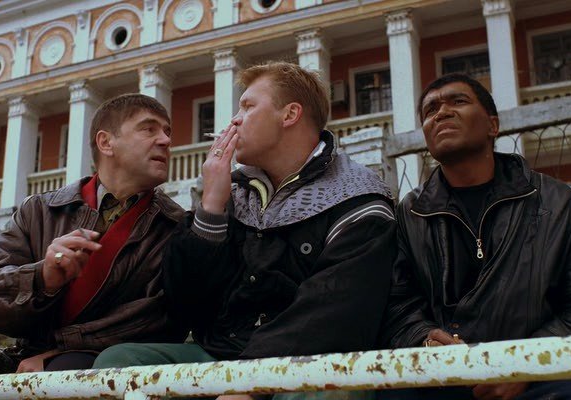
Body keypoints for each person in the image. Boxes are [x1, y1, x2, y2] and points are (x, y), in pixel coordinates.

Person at [94, 62, 429, 399]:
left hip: (306, 365)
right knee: (119, 362)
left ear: (290, 114)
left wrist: (250, 383)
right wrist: (211, 206)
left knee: (328, 393)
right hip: (224, 357)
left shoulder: (357, 196)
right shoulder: (232, 191)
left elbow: (334, 315)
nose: (235, 120)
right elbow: (186, 306)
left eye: (247, 106)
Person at [0, 94, 188, 400]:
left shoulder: (175, 226)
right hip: (23, 359)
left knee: (65, 372)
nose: (166, 140)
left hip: (101, 364)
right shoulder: (40, 210)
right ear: (106, 143)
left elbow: (156, 321)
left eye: (168, 132)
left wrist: (59, 350)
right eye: (149, 129)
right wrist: (43, 278)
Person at [379, 73, 571, 400]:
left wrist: (528, 362)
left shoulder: (555, 203)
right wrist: (423, 338)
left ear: (492, 125)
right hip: (442, 378)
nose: (441, 113)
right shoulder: (409, 215)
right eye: (430, 110)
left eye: (458, 101)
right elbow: (394, 304)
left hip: (544, 374)